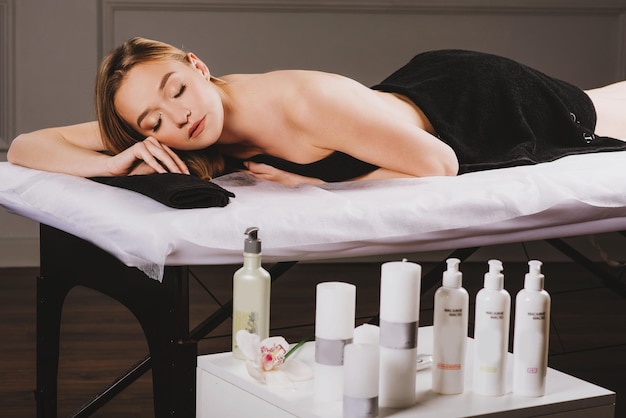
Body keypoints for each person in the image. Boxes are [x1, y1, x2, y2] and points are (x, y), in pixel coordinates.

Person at [7, 37, 626, 186]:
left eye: (174, 89)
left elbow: (438, 165)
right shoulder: (181, 125)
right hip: (398, 96)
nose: (175, 119)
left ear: (197, 67)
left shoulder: (302, 104)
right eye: (152, 122)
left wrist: (315, 181)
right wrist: (111, 166)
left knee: (598, 112)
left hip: (477, 98)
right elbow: (24, 147)